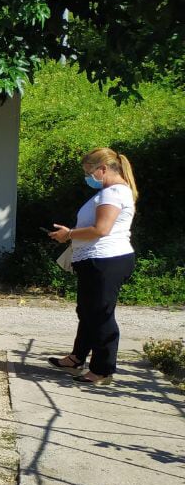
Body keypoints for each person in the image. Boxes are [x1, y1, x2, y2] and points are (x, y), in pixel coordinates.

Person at [46, 148, 138, 386]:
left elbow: (101, 230)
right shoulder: (111, 192)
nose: (88, 177)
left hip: (106, 260)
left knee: (100, 314)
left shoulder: (113, 193)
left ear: (103, 169)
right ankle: (77, 358)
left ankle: (102, 369)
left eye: (89, 171)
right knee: (87, 311)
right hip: (96, 260)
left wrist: (69, 235)